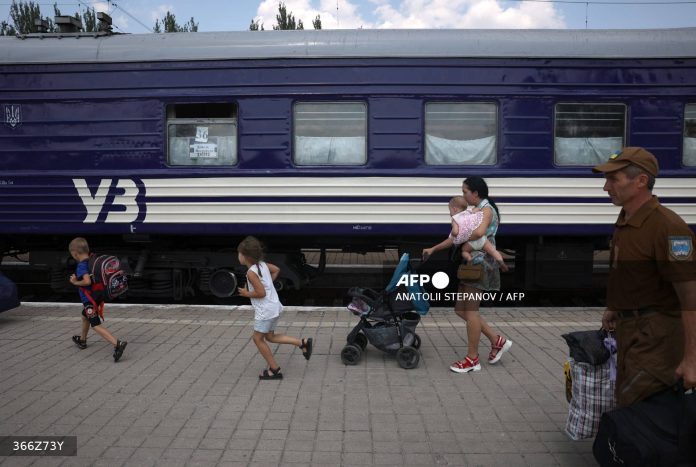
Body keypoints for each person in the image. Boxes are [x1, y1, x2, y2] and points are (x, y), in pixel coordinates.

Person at [592, 147, 696, 406]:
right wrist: (615, 307)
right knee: (629, 404)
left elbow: (690, 299)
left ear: (640, 181)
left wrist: (691, 360)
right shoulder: (627, 220)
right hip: (630, 330)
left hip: (656, 336)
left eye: (614, 180)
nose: (606, 187)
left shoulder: (669, 227)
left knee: (639, 406)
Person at [427, 177, 512, 373]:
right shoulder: (475, 211)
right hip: (470, 264)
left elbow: (479, 233)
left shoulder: (486, 210)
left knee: (471, 312)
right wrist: (433, 248)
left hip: (480, 265)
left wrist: (460, 234)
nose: (463, 195)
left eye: (465, 191)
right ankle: (496, 340)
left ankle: (472, 359)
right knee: (460, 309)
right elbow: (456, 237)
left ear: (475, 193)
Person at [237, 236, 313, 380]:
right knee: (270, 337)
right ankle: (302, 343)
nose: (238, 256)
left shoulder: (251, 273)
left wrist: (247, 293)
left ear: (245, 256)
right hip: (274, 307)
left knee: (257, 339)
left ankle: (274, 369)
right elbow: (276, 270)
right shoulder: (262, 265)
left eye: (239, 253)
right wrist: (267, 283)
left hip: (265, 311)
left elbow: (261, 293)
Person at [68, 237, 127, 362]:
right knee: (85, 316)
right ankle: (82, 340)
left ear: (75, 254)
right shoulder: (91, 260)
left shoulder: (81, 266)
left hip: (90, 300)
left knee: (95, 324)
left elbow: (87, 281)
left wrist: (75, 282)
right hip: (96, 296)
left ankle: (118, 344)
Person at [422, 195, 508, 271]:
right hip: (482, 239)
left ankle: (471, 261)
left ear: (454, 209)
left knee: (464, 251)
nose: (450, 213)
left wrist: (453, 232)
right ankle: (501, 262)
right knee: (493, 251)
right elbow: (478, 209)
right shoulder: (469, 212)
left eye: (450, 210)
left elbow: (455, 232)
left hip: (471, 242)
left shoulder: (455, 218)